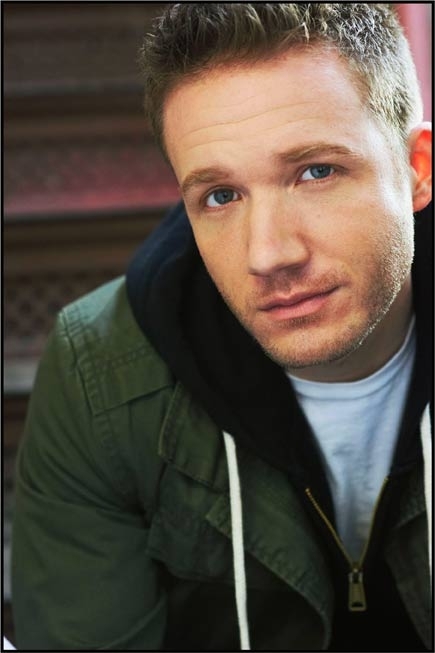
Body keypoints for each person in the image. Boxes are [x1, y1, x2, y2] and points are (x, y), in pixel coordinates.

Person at [11, 3, 432, 651]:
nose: (269, 254)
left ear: (416, 168)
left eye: (316, 172)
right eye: (221, 195)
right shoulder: (100, 371)